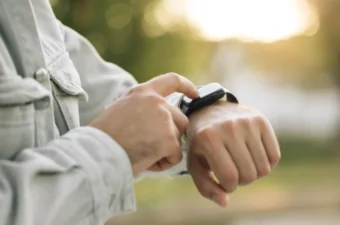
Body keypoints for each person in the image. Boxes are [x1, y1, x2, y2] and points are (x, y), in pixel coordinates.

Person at [0, 0, 281, 225]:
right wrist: (109, 149)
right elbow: (119, 129)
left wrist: (203, 109)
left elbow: (121, 102)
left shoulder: (32, 13)